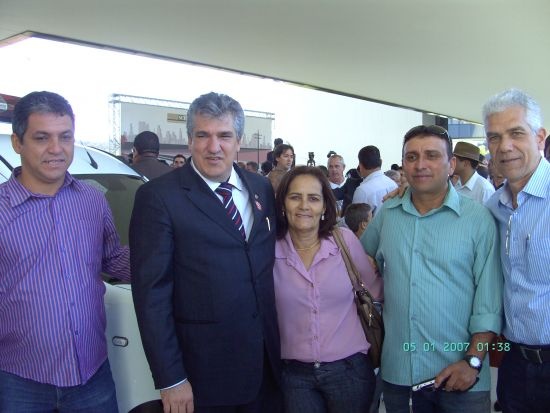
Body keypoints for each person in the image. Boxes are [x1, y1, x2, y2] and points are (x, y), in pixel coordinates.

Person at [130, 92, 282, 413]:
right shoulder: (158, 198)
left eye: (224, 135)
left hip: (266, 368)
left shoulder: (261, 188)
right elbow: (152, 297)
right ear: (190, 140)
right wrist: (171, 379)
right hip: (205, 378)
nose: (214, 147)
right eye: (203, 135)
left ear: (238, 140)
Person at [0, 91, 130, 412]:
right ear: (18, 142)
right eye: (41, 137)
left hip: (92, 376)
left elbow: (112, 259)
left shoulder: (92, 200)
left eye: (65, 137)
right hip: (19, 381)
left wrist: (170, 254)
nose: (56, 148)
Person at [362, 125, 503, 413]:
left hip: (462, 377)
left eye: (432, 155)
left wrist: (473, 361)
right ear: (403, 164)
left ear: (451, 164)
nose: (420, 164)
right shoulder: (388, 214)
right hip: (400, 374)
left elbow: (489, 302)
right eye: (412, 157)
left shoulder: (477, 219)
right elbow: (359, 264)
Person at [273, 166, 382, 413]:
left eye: (313, 198)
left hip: (350, 371)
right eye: (295, 197)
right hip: (294, 376)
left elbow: (375, 291)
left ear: (324, 206)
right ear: (283, 204)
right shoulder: (270, 250)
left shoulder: (344, 241)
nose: (304, 206)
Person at [482, 88, 550, 413]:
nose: (504, 146)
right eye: (494, 137)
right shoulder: (493, 207)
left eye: (516, 133)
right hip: (515, 365)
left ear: (540, 137)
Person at [352, 145, 397, 214]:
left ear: (360, 165)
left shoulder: (363, 191)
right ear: (381, 162)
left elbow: (355, 219)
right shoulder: (393, 184)